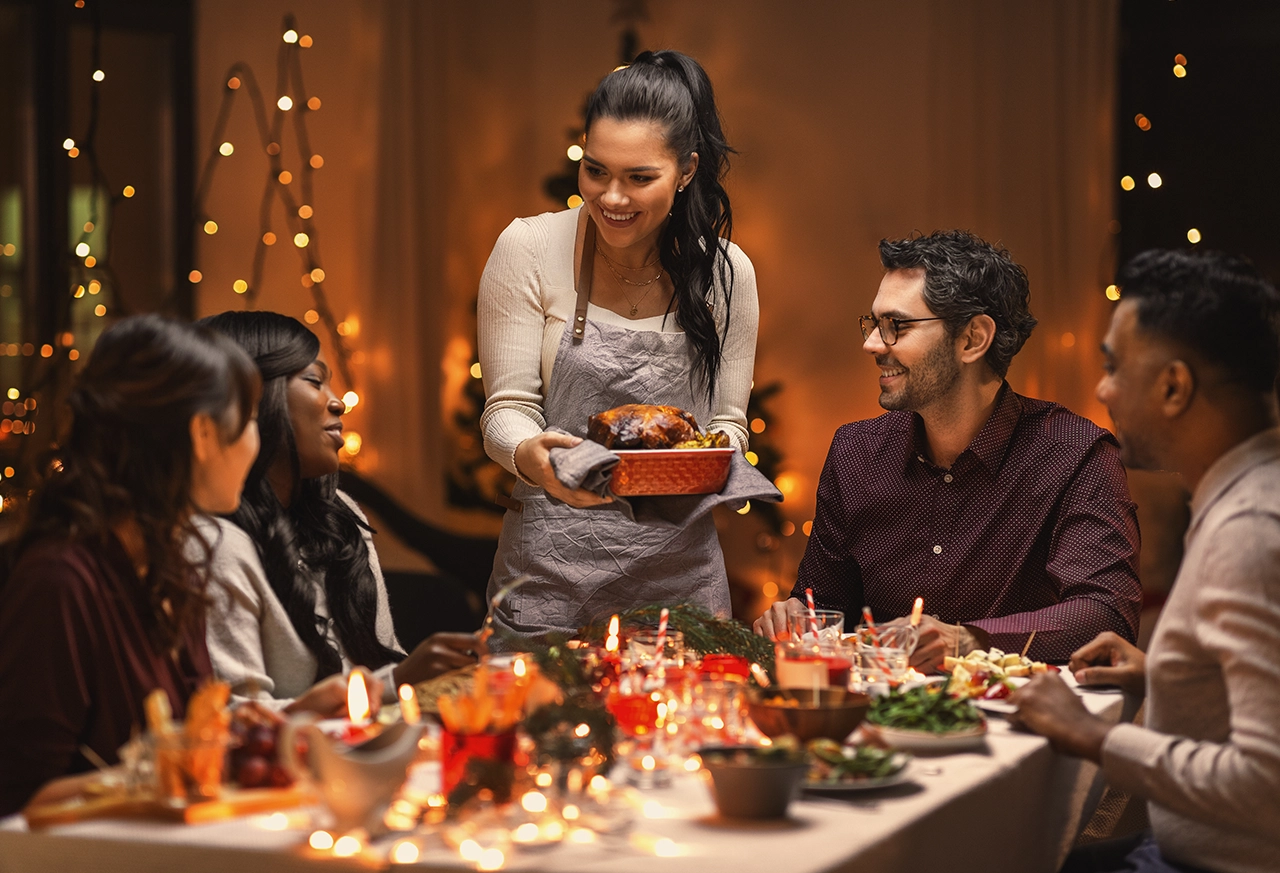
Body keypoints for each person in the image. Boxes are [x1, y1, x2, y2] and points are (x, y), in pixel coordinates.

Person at [754, 231, 1142, 667]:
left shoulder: (1075, 455)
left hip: (1018, 721)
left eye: (896, 326)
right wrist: (796, 617)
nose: (872, 344)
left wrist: (970, 640)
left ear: (973, 339)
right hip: (881, 719)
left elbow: (1107, 615)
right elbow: (823, 608)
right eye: (873, 323)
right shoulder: (857, 453)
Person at [1012, 249, 1280, 873]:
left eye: (1113, 366)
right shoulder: (1246, 495)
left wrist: (1097, 736)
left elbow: (1267, 786)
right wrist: (1163, 676)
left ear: (1172, 386)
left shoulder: (1249, 530)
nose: (1102, 388)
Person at [477, 51, 758, 641]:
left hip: (680, 589)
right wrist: (529, 455)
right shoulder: (528, 247)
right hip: (549, 577)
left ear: (685, 171)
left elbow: (729, 425)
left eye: (639, 177)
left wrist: (699, 464)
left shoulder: (727, 273)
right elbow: (507, 410)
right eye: (596, 170)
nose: (611, 197)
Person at [0, 315, 261, 816]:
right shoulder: (60, 582)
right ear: (203, 433)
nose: (257, 439)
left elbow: (192, 741)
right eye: (249, 419)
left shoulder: (169, 566)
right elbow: (19, 803)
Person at [196, 312, 476, 715]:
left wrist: (410, 677)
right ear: (252, 400)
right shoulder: (216, 545)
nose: (338, 400)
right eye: (314, 381)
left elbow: (377, 673)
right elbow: (236, 723)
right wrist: (395, 683)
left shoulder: (340, 516)